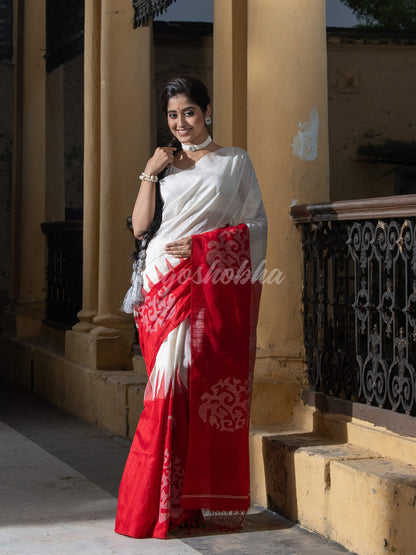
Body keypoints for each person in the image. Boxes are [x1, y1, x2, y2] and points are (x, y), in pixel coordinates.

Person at [115, 76, 267, 539]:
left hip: (207, 277)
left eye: (189, 113)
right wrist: (149, 170)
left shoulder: (235, 161)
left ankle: (181, 505)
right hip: (162, 282)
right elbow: (141, 228)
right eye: (172, 115)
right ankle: (156, 505)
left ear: (206, 112)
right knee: (163, 389)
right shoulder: (164, 165)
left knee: (194, 385)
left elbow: (256, 225)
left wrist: (205, 245)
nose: (181, 123)